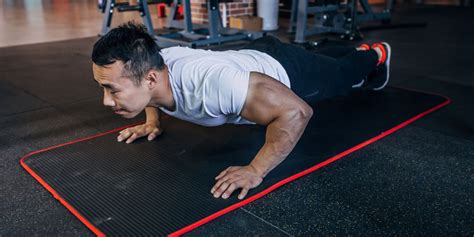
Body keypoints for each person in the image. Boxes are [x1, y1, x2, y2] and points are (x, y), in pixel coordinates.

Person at [91, 22, 391, 200]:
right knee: (323, 62)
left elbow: (296, 112)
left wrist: (255, 170)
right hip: (254, 56)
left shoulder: (213, 85)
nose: (106, 101)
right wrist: (151, 121)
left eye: (112, 90)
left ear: (151, 78)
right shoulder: (154, 69)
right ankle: (348, 53)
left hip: (285, 72)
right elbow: (150, 96)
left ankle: (375, 55)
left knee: (341, 76)